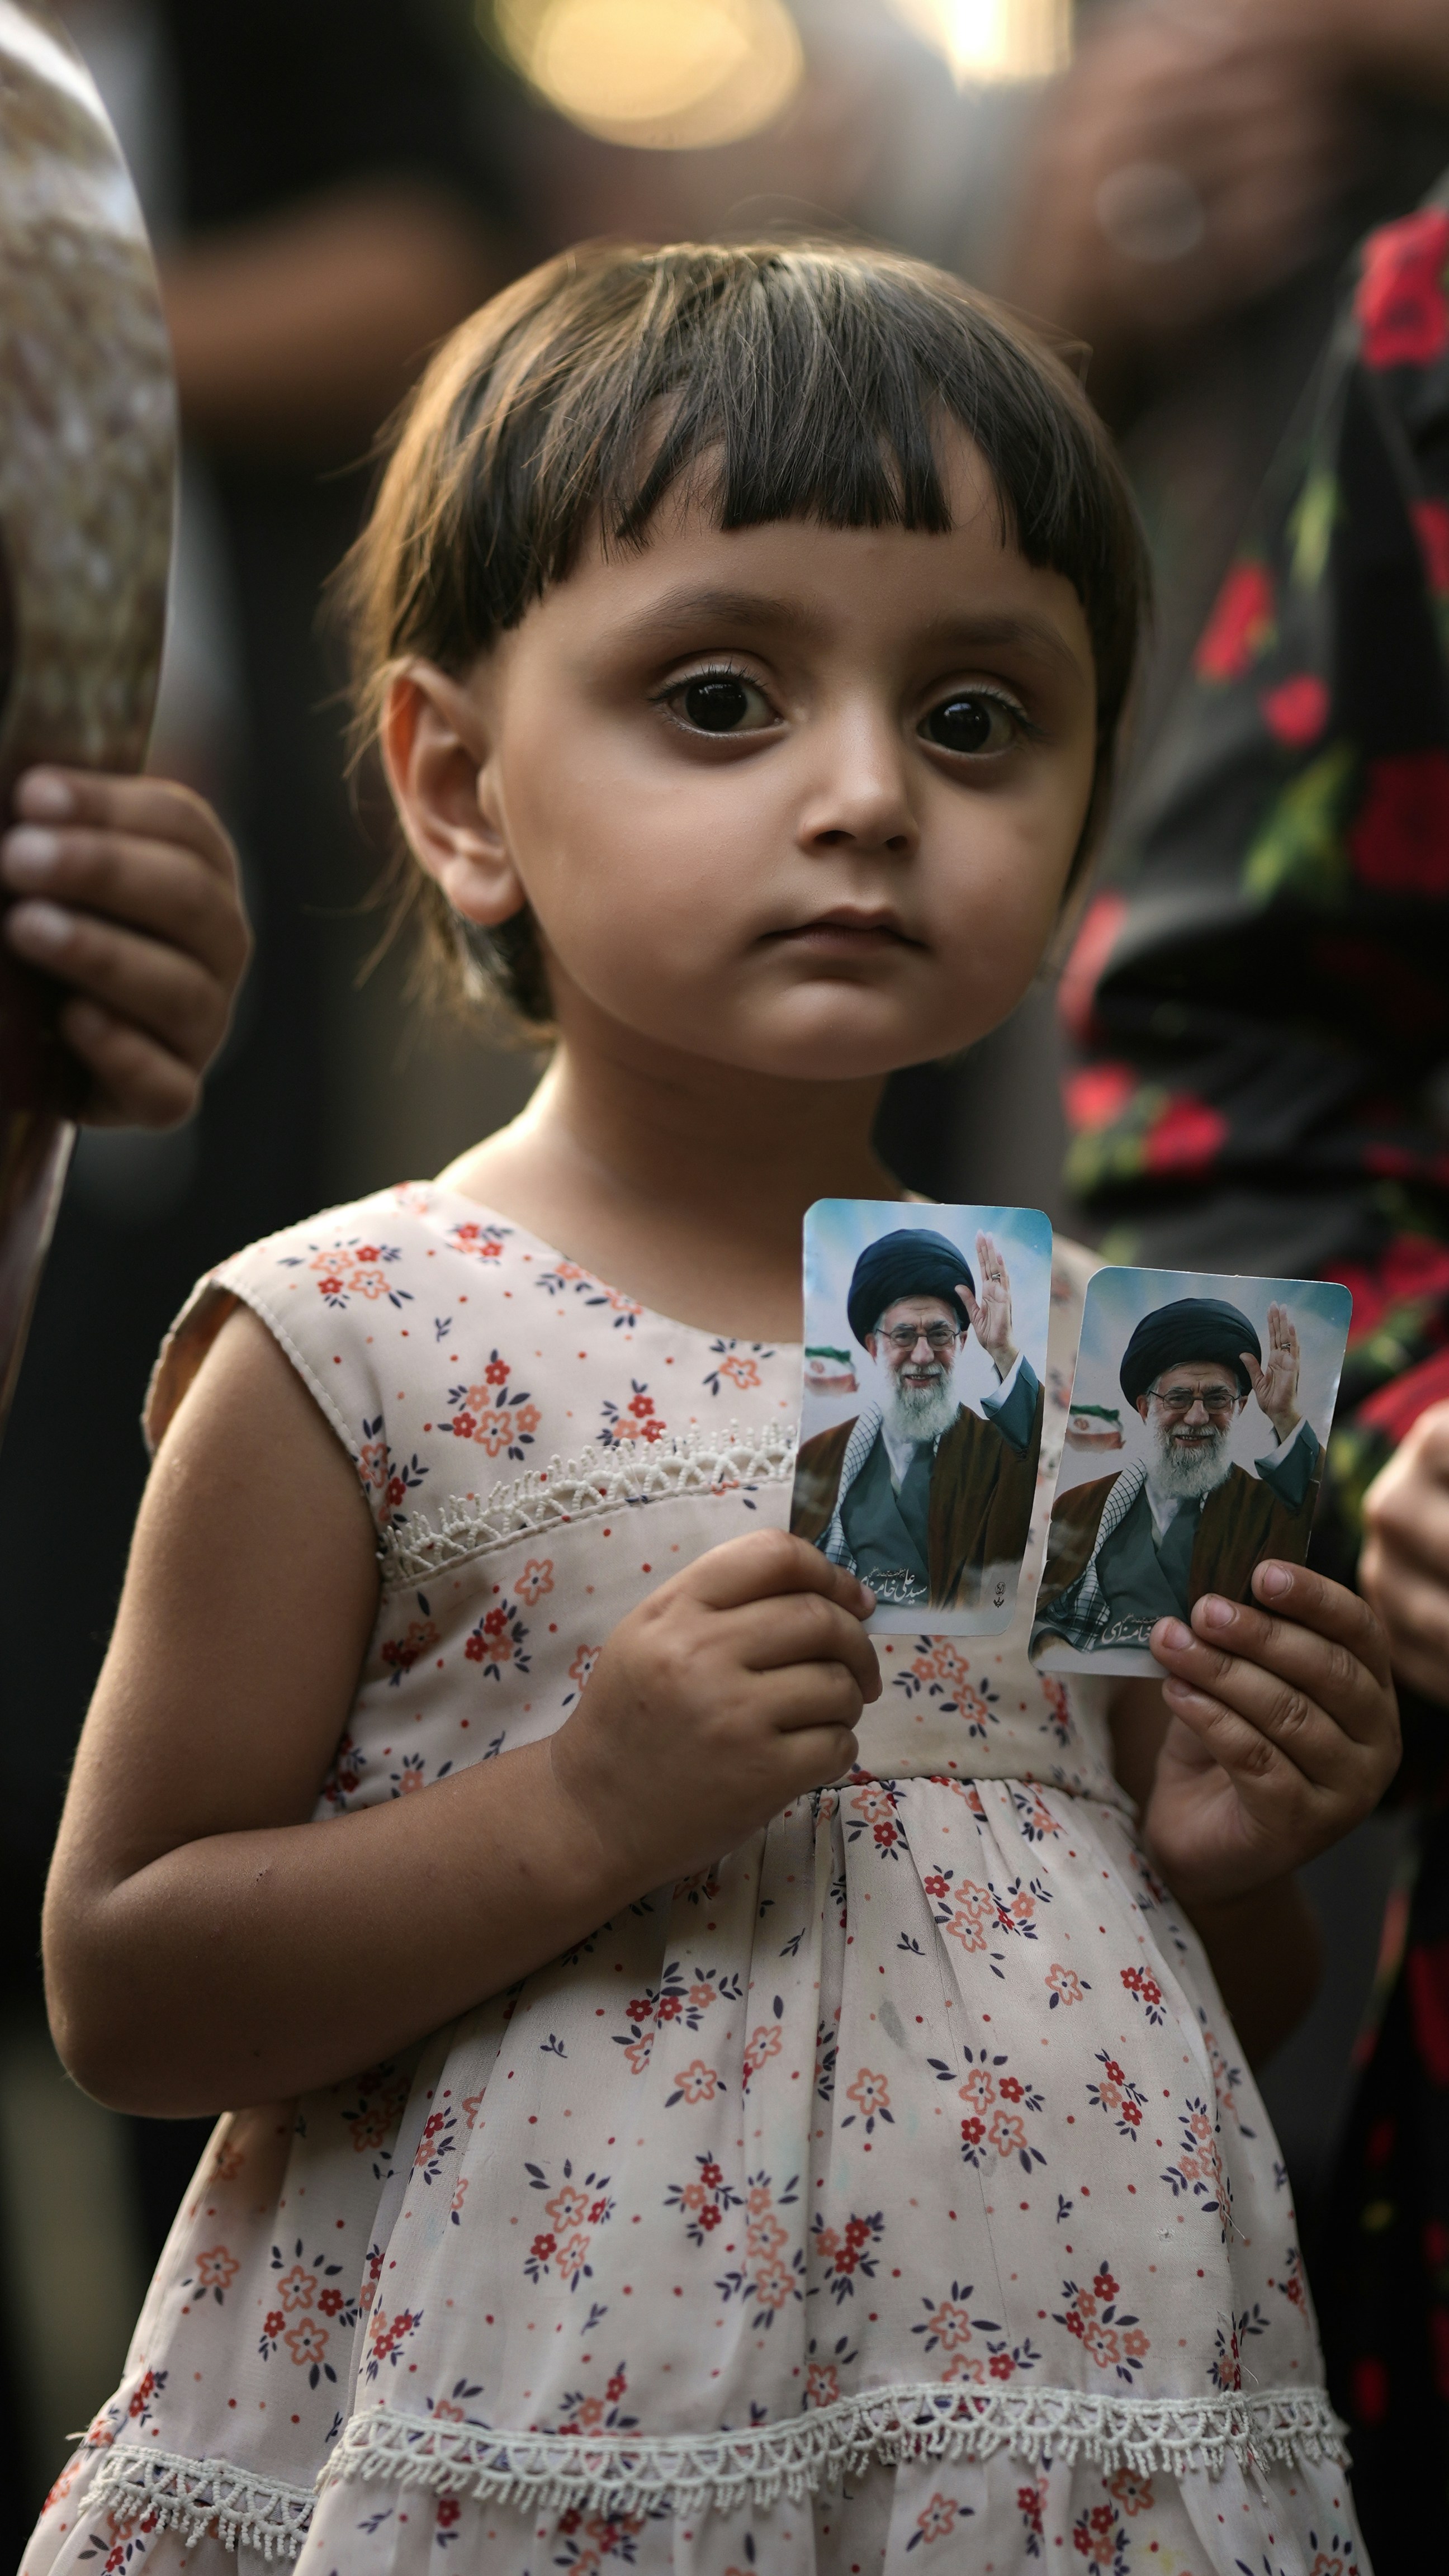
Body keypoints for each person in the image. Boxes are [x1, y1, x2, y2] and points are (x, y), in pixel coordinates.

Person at [20, 242, 1401, 2576]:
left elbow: (1174, 1999)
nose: (868, 794)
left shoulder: (1118, 1369)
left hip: (1044, 2461)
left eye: (977, 716)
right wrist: (580, 1805)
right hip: (544, 2455)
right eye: (726, 696)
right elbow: (127, 1985)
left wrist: (1237, 1858)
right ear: (456, 782)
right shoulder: (359, 1333)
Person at [1034, 1297, 1322, 1660]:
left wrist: (1283, 1415)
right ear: (1145, 1408)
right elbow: (1044, 1612)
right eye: (1178, 1398)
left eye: (1217, 1400)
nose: (1198, 1417)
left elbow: (1304, 1511)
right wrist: (1050, 1644)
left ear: (1240, 1407)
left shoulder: (1267, 1510)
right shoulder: (1079, 1506)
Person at [791, 1225, 1041, 1612]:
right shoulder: (821, 1457)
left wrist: (1001, 1349)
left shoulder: (995, 1451)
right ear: (874, 1346)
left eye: (940, 1335)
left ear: (961, 1343)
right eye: (904, 1336)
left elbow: (1028, 1449)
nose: (923, 1356)